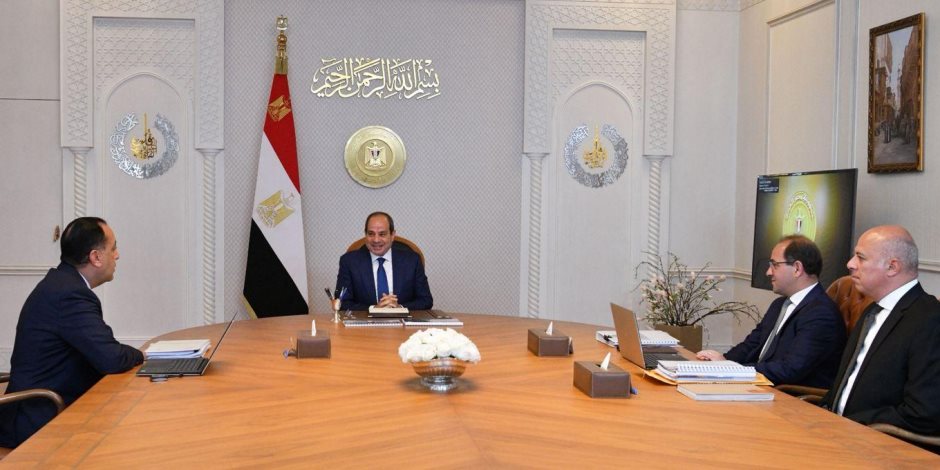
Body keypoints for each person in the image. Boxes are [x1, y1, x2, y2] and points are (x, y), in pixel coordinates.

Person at [0, 217, 144, 448]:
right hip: (40, 419)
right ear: (95, 257)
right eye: (113, 248)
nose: (117, 255)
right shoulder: (69, 294)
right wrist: (142, 355)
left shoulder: (62, 284)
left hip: (49, 406)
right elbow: (111, 358)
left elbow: (103, 352)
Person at [821, 225, 940, 435]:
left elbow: (924, 413)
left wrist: (849, 425)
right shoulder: (872, 311)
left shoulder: (930, 320)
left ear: (892, 267)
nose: (850, 264)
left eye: (861, 257)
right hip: (834, 431)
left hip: (877, 442)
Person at [697, 235, 846, 388]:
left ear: (797, 268)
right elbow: (751, 345)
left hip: (788, 395)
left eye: (775, 265)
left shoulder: (820, 314)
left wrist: (735, 369)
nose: (768, 272)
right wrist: (722, 361)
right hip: (760, 385)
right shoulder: (779, 304)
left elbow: (790, 369)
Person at [335, 212, 433, 311]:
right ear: (365, 235)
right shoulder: (349, 262)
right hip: (365, 320)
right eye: (371, 234)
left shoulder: (412, 261)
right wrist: (374, 309)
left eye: (382, 234)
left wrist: (400, 308)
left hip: (403, 320)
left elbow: (426, 300)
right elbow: (342, 302)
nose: (376, 240)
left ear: (392, 235)